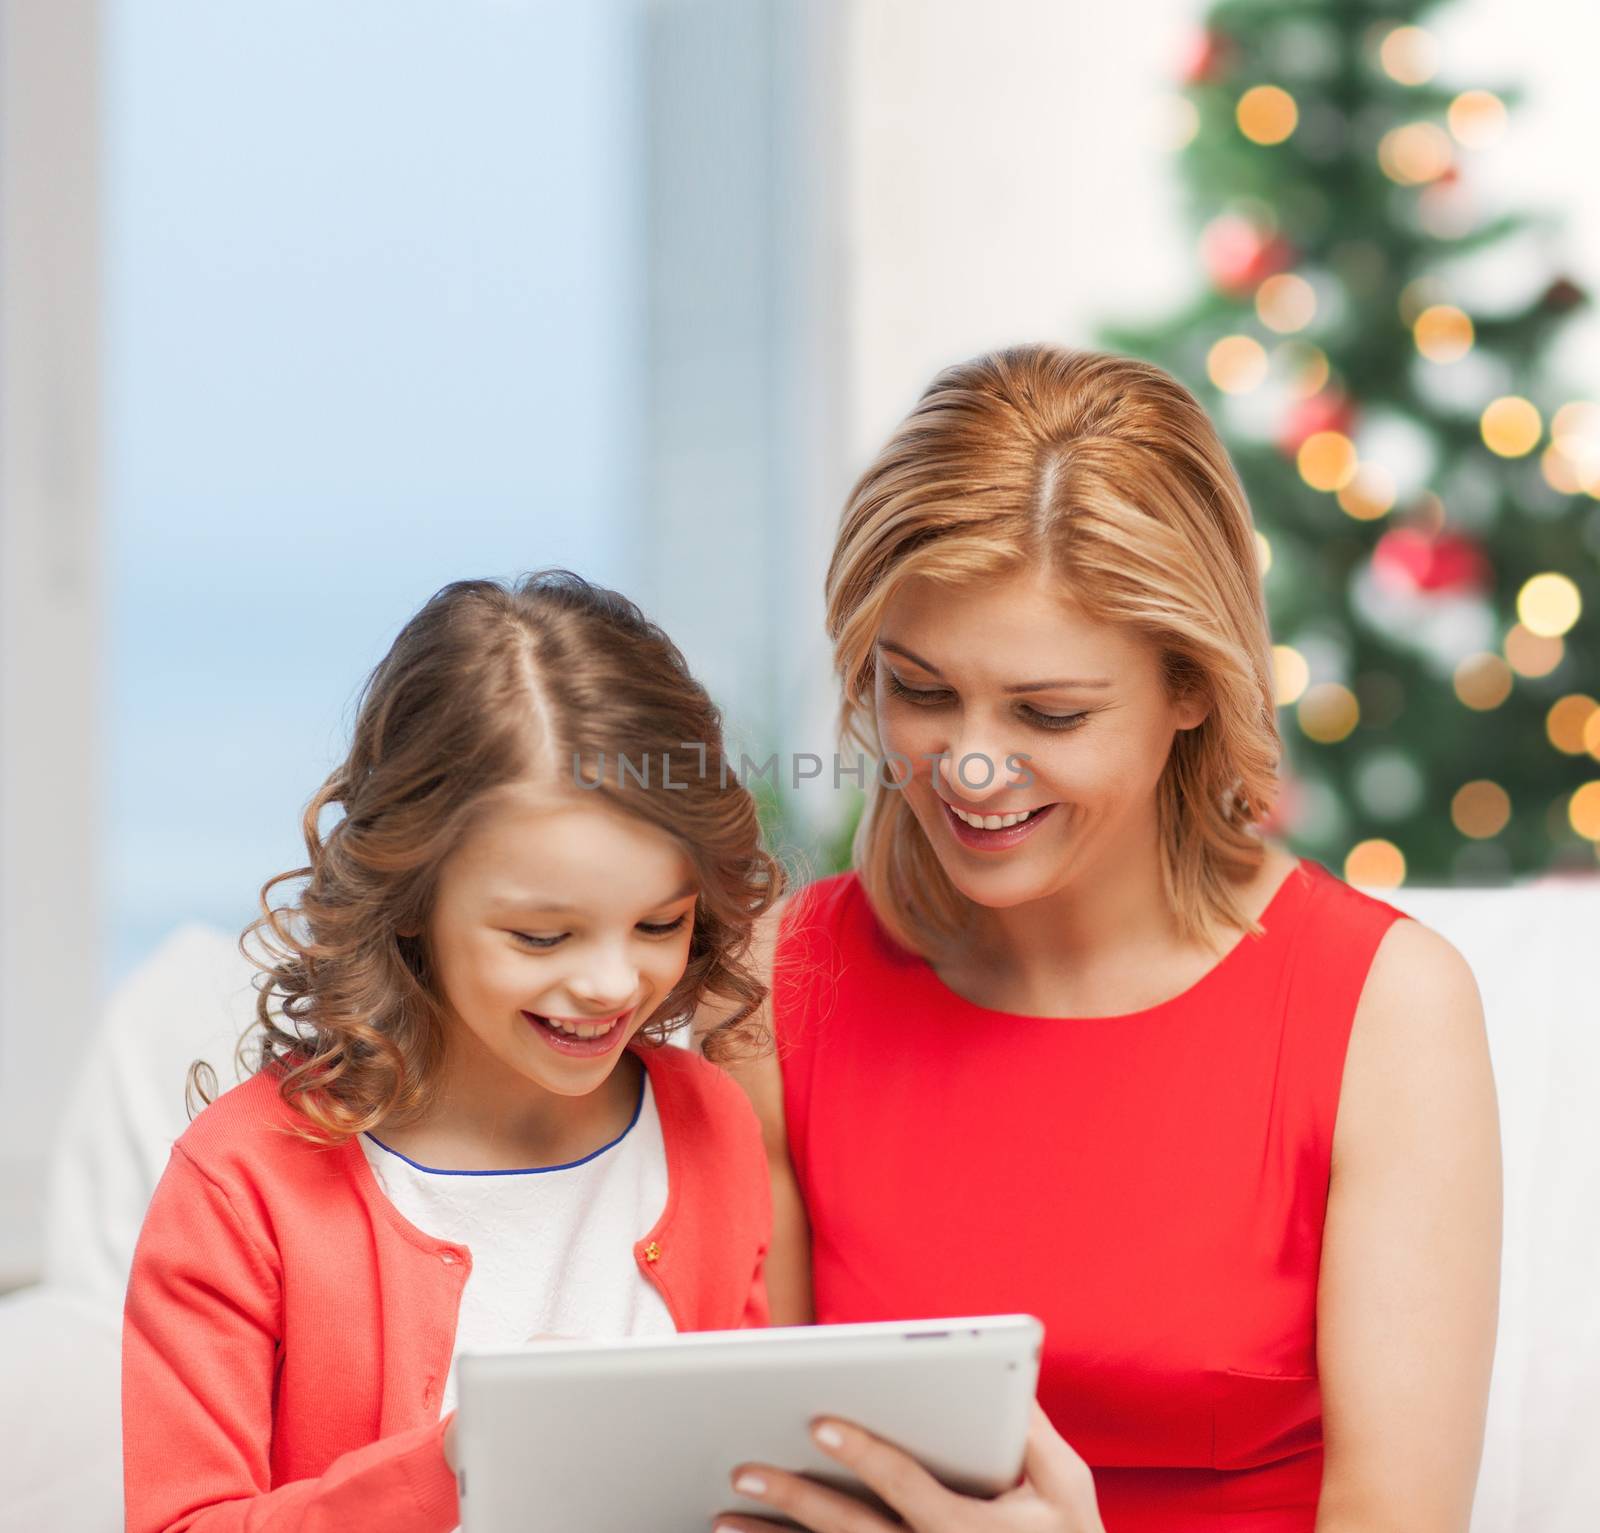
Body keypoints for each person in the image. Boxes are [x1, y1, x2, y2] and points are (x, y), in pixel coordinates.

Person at [709, 347, 1502, 1533]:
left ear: (1193, 687)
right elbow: (744, 1479)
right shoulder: (782, 987)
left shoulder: (1383, 1011)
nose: (969, 766)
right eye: (918, 691)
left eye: (1049, 713)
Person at [122, 572, 781, 1532]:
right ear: (415, 901)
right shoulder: (241, 1190)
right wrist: (456, 1464)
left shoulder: (707, 1126)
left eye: (657, 921)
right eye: (541, 937)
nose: (610, 983)